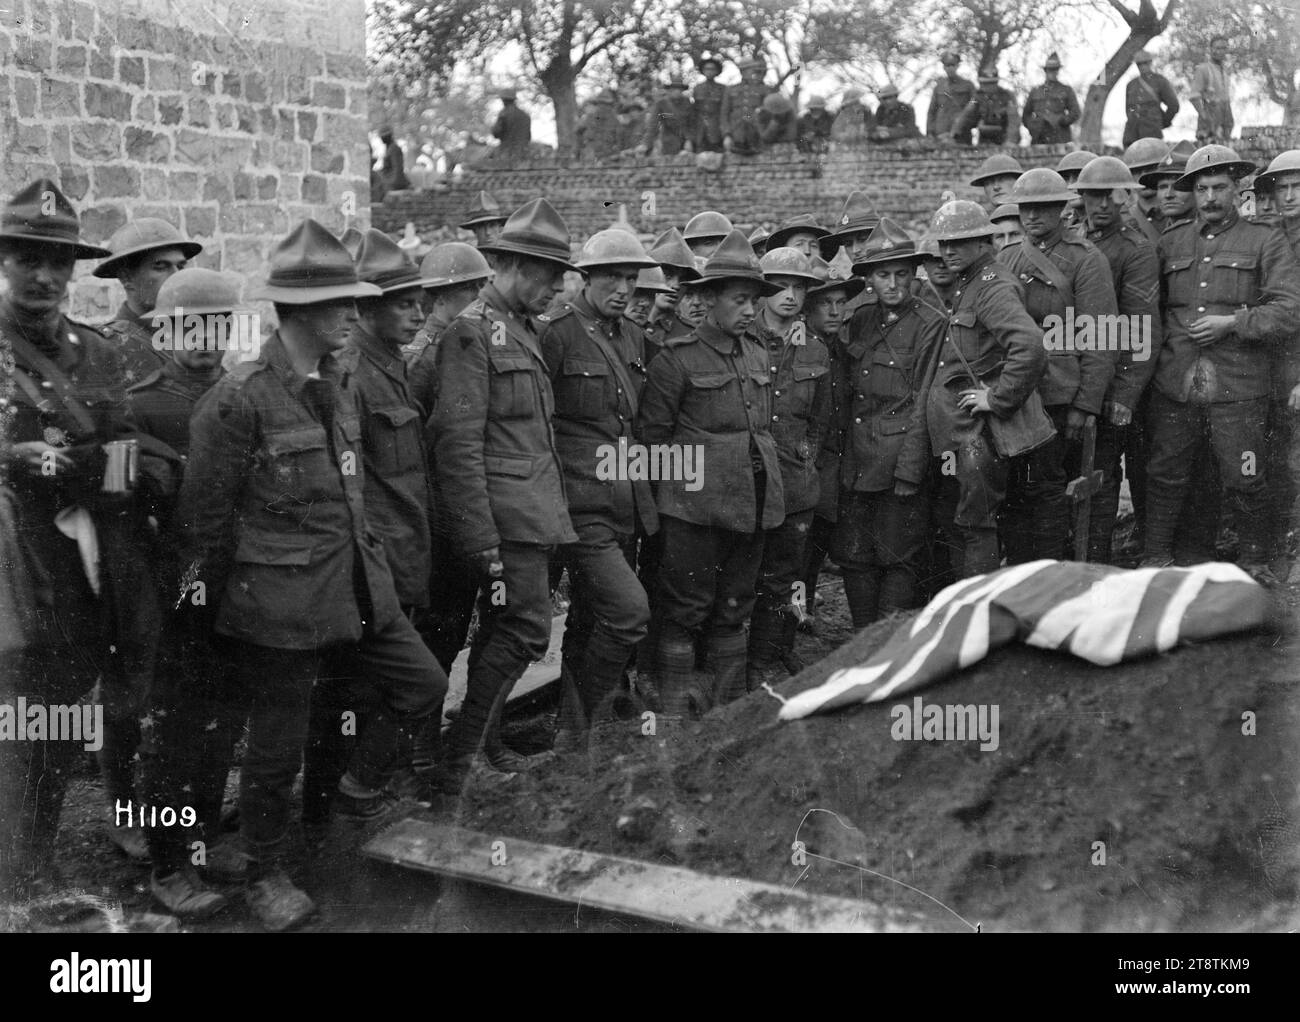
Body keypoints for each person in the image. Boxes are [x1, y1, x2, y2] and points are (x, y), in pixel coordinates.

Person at [176, 219, 448, 929]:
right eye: (341, 304)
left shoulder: (337, 386)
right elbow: (203, 527)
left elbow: (355, 493)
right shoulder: (238, 402)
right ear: (299, 311)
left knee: (424, 682)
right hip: (278, 606)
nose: (354, 316)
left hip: (357, 588)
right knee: (275, 749)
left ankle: (337, 807)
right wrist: (206, 622)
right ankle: (267, 873)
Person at [0, 180, 152, 897]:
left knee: (58, 725)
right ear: (6, 260)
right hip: (5, 569)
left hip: (73, 569)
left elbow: (127, 463)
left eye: (57, 262)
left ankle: (36, 857)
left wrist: (65, 464)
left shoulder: (96, 355)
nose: (43, 276)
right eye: (29, 258)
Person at [426, 199, 578, 787]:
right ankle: (464, 757)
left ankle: (481, 750)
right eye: (547, 275)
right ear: (511, 264)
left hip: (531, 511)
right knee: (525, 629)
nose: (558, 287)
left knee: (505, 630)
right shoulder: (472, 332)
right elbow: (457, 443)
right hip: (503, 520)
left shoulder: (520, 329)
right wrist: (480, 536)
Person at [132, 268, 244, 918]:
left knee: (222, 722)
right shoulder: (141, 405)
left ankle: (199, 845)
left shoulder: (243, 396)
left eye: (216, 324)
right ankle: (167, 864)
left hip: (233, 588)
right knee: (173, 733)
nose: (204, 338)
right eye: (188, 326)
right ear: (165, 331)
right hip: (170, 596)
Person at [636, 230, 784, 718]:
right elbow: (652, 444)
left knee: (735, 606)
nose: (749, 310)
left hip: (752, 504)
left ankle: (729, 708)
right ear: (710, 300)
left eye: (752, 301)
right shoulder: (675, 360)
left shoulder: (759, 354)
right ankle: (677, 708)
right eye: (740, 300)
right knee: (685, 609)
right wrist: (673, 508)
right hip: (693, 512)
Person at [1142, 145, 1300, 582]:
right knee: (1166, 472)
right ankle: (1156, 557)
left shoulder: (1264, 240)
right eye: (1202, 189)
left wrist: (1234, 322)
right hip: (1176, 382)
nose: (1210, 197)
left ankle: (1254, 560)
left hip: (1239, 386)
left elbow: (1289, 309)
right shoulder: (1170, 242)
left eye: (1220, 188)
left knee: (1245, 472)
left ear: (1237, 188)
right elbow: (1150, 312)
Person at [538, 229, 658, 753]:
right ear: (585, 278)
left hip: (623, 499)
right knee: (630, 613)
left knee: (590, 618)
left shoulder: (630, 335)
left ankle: (571, 729)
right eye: (612, 277)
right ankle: (580, 719)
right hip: (577, 502)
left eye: (631, 279)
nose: (624, 289)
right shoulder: (556, 333)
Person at [913, 200, 1045, 578]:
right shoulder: (970, 283)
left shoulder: (991, 286)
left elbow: (1030, 346)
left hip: (979, 434)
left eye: (959, 242)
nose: (948, 251)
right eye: (943, 244)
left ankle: (976, 611)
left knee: (976, 525)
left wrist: (998, 398)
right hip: (961, 432)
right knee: (966, 521)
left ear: (984, 241)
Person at [998, 168, 1119, 564]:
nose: (1032, 217)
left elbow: (1101, 338)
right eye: (1026, 209)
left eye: (1043, 208)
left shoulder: (1086, 260)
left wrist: (1086, 405)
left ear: (1062, 209)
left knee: (1052, 491)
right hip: (1016, 394)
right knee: (1016, 490)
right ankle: (1021, 570)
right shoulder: (1006, 258)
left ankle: (1055, 571)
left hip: (1059, 394)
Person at [833, 220, 946, 626]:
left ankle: (885, 645)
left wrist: (911, 470)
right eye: (883, 275)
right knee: (854, 553)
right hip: (857, 459)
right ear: (868, 278)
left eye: (902, 274)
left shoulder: (930, 322)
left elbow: (924, 401)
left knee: (899, 554)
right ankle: (862, 642)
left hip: (900, 458)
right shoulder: (860, 319)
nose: (894, 284)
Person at [746, 246, 830, 692]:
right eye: (781, 285)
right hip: (748, 479)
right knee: (740, 576)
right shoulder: (742, 340)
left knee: (782, 576)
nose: (791, 295)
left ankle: (768, 656)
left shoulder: (816, 349)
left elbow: (820, 423)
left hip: (794, 482)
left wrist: (803, 461)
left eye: (800, 287)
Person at [1075, 156, 1162, 563]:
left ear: (1126, 196)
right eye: (1095, 196)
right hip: (1076, 376)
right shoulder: (1073, 240)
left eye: (1113, 195)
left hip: (1116, 384)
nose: (1104, 204)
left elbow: (1141, 330)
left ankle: (1098, 560)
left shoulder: (1135, 250)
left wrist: (1124, 395)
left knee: (1106, 475)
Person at [797, 256, 864, 633]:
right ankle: (793, 615)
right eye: (826, 303)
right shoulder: (802, 348)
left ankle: (803, 608)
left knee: (818, 542)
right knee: (799, 547)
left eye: (841, 303)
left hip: (838, 460)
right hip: (809, 460)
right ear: (809, 309)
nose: (836, 311)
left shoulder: (841, 349)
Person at [1251, 151, 1300, 581]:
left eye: (1296, 186)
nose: (1288, 196)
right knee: (1273, 459)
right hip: (1268, 363)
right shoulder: (1269, 235)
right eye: (1280, 187)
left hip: (1296, 369)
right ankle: (1274, 548)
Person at [95, 218, 202, 383]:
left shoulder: (192, 338)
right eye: (160, 266)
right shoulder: (108, 348)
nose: (176, 276)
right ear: (126, 278)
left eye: (180, 266)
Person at [1123, 51, 1179, 148]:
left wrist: (1162, 122)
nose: (1142, 66)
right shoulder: (1131, 84)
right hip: (1132, 132)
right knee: (1130, 159)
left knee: (1152, 158)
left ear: (1150, 63)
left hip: (1151, 130)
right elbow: (1128, 109)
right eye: (1139, 64)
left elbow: (1173, 105)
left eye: (1145, 63)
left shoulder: (1160, 81)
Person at [1022, 53, 1080, 145]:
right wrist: (1032, 126)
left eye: (1055, 70)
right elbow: (1026, 115)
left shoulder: (1066, 90)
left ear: (1058, 71)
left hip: (1060, 135)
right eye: (1050, 70)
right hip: (1038, 136)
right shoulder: (1036, 91)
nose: (1053, 72)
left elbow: (1075, 112)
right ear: (1045, 71)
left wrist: (1062, 120)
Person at [953, 68, 1019, 146]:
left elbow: (1013, 120)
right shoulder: (977, 97)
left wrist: (1010, 140)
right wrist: (954, 135)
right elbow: (965, 115)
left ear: (996, 83)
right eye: (985, 84)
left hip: (1004, 136)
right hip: (985, 137)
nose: (988, 87)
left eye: (992, 83)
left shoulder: (1007, 96)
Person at [1190, 36, 1233, 144]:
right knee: (1208, 154)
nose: (1220, 51)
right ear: (1210, 49)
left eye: (1223, 48)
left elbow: (1225, 97)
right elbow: (1194, 97)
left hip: (1224, 118)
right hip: (1209, 119)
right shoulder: (1203, 69)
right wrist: (1205, 116)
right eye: (1217, 48)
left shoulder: (1226, 71)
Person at [723, 57, 768, 155]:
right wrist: (727, 134)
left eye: (751, 69)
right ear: (741, 71)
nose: (749, 72)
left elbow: (766, 114)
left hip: (756, 135)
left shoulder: (763, 90)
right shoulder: (731, 89)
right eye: (745, 70)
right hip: (735, 135)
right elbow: (724, 114)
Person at [928, 52, 975, 142]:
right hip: (941, 131)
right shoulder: (939, 87)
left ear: (957, 66)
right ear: (944, 67)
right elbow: (932, 110)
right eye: (947, 65)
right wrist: (930, 131)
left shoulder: (968, 85)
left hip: (961, 132)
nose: (950, 68)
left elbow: (974, 106)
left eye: (953, 65)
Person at [643, 75, 695, 156]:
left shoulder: (687, 103)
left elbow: (692, 124)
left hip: (686, 143)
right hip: (668, 143)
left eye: (679, 89)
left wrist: (689, 140)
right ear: (669, 90)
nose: (677, 91)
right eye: (674, 89)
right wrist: (645, 144)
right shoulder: (661, 104)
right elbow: (653, 125)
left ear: (682, 90)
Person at [693, 54, 727, 153]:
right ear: (703, 71)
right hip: (700, 129)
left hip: (716, 128)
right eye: (707, 69)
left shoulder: (722, 88)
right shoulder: (697, 88)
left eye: (712, 69)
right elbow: (695, 110)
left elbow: (725, 110)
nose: (709, 71)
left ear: (717, 71)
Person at [492, 86, 532, 163]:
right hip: (524, 154)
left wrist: (492, 129)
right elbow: (528, 136)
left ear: (504, 100)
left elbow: (496, 133)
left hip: (506, 154)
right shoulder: (525, 116)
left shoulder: (504, 114)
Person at [378, 126, 410, 192]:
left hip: (393, 183)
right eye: (381, 137)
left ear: (389, 136)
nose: (381, 139)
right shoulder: (389, 149)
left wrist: (393, 184)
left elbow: (398, 168)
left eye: (383, 136)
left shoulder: (394, 149)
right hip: (389, 180)